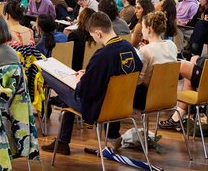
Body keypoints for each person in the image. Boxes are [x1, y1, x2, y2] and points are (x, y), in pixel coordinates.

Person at [43, 11, 142, 155]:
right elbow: (129, 72)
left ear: (99, 33)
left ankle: (63, 142)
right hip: (121, 104)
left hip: (98, 108)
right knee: (69, 95)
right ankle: (112, 135)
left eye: (93, 36)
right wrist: (89, 74)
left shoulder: (102, 55)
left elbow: (85, 92)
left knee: (49, 74)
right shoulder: (128, 47)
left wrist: (80, 80)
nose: (94, 40)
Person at [135, 11, 177, 109]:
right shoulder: (171, 45)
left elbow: (139, 80)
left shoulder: (145, 50)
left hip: (148, 97)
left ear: (149, 29)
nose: (142, 30)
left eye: (143, 27)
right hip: (169, 95)